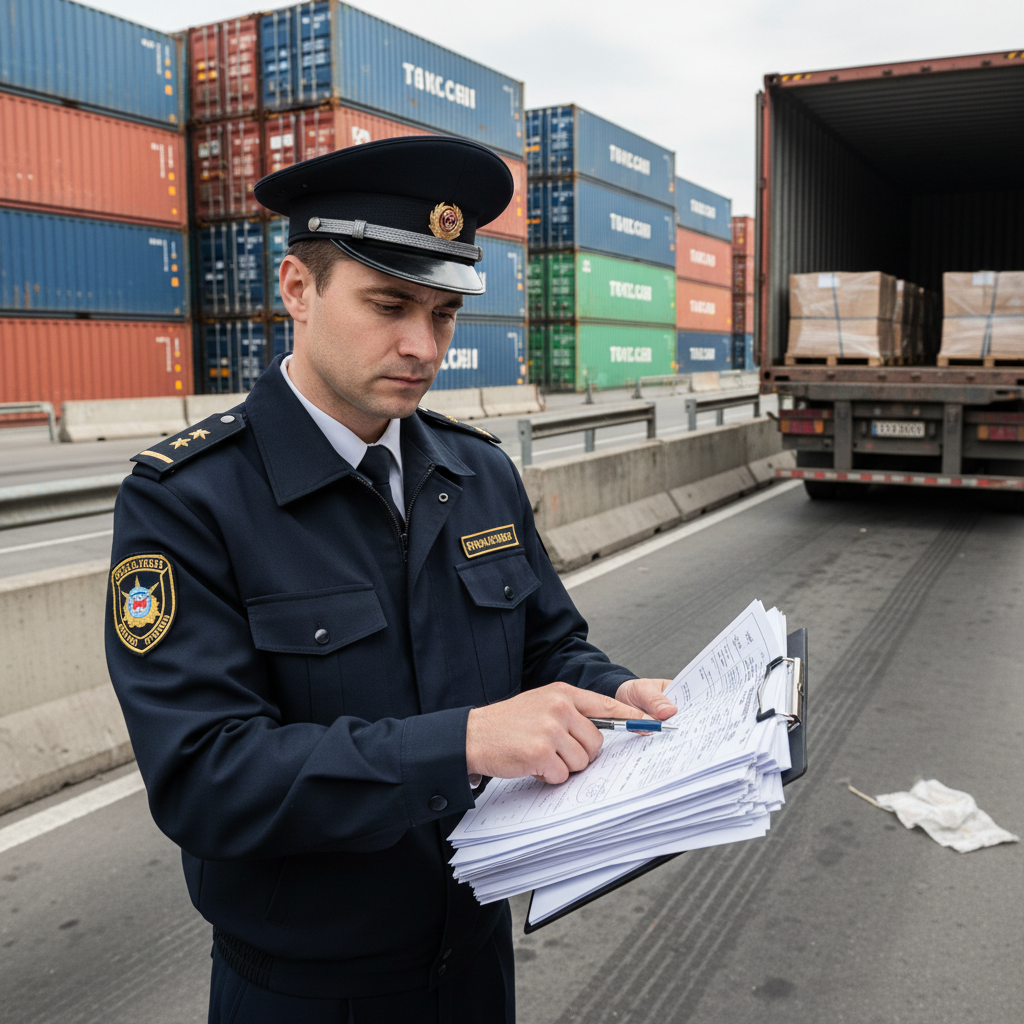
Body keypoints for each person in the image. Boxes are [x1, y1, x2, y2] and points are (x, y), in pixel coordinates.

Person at [105, 136, 677, 1024]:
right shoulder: (188, 501)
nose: (422, 346)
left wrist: (613, 694)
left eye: (444, 314)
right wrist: (464, 743)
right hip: (307, 993)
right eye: (388, 304)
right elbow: (207, 778)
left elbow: (545, 645)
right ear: (298, 288)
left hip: (476, 965)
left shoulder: (478, 471)